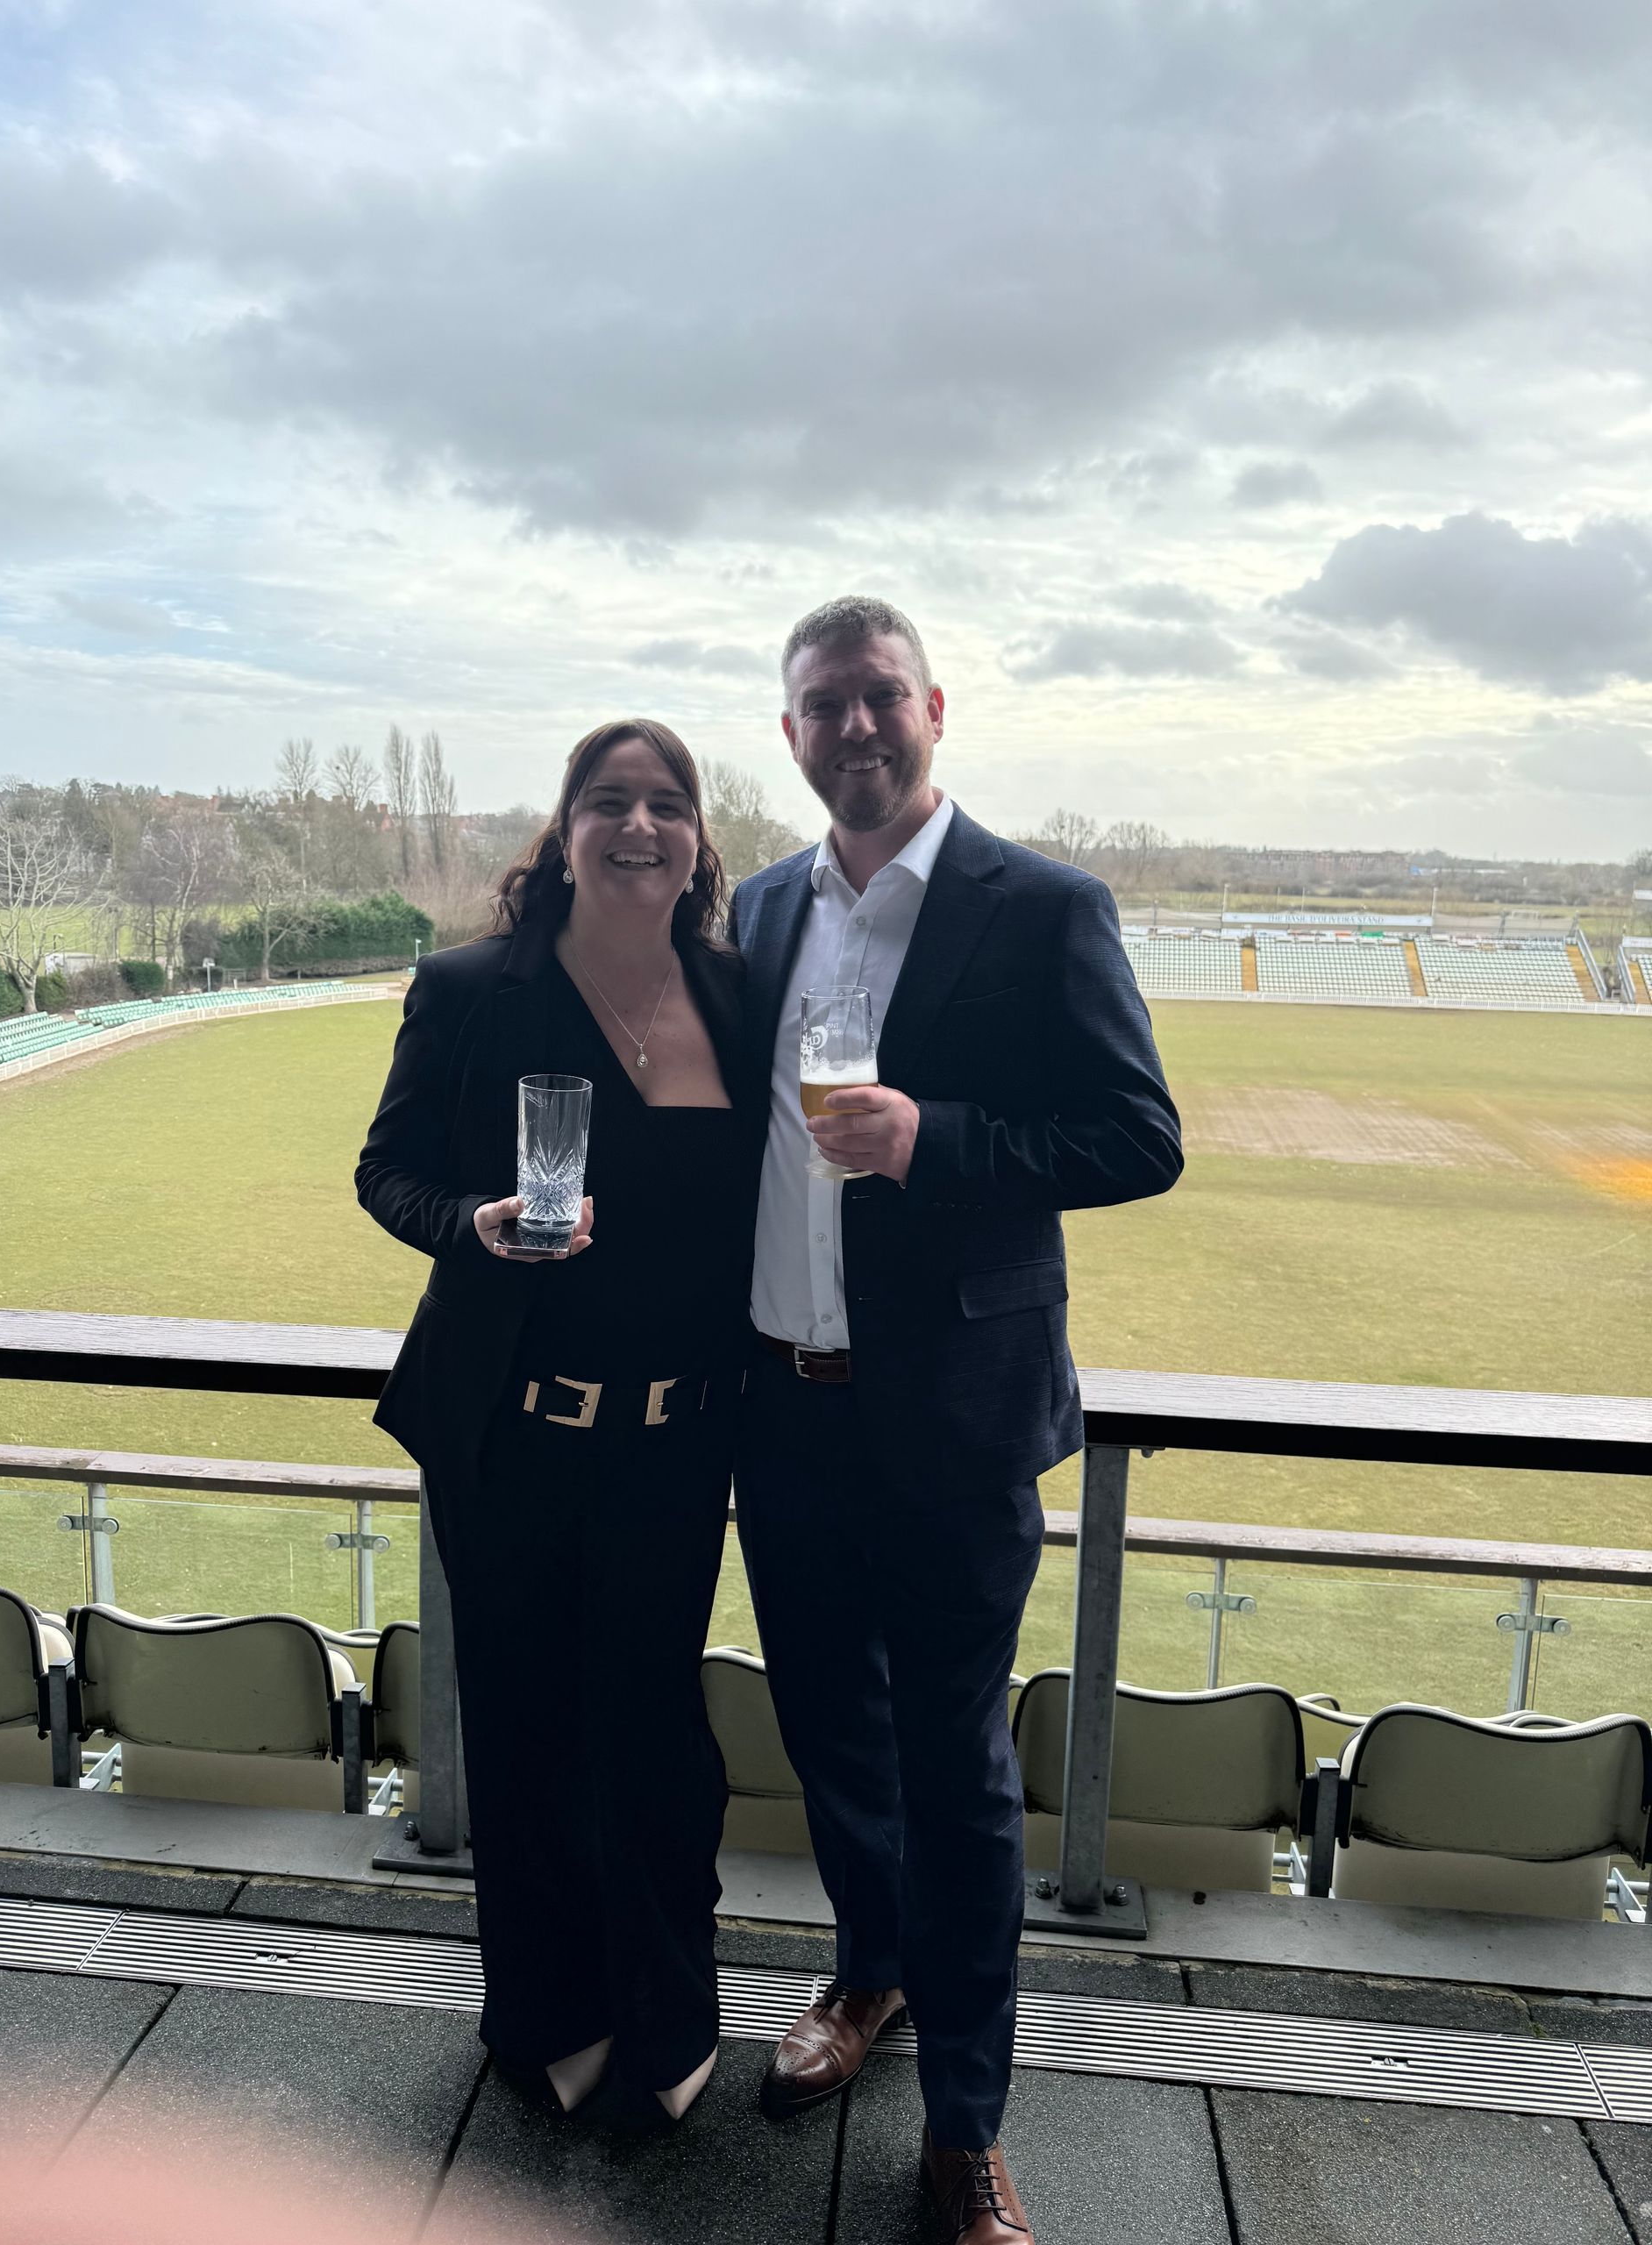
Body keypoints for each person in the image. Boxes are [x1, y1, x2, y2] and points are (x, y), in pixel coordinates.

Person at [730, 597, 1183, 2244]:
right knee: (832, 1736)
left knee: (961, 1771)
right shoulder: (765, 909)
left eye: (877, 700)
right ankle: (869, 1976)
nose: (852, 728)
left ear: (934, 709)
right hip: (782, 1410)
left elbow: (1140, 1136)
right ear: (788, 735)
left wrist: (938, 1139)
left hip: (954, 1421)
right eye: (820, 707)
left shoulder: (1043, 905)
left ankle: (970, 2128)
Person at [356, 720, 756, 2127]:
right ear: (565, 830)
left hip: (679, 1438)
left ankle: (670, 2011)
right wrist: (467, 1226)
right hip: (513, 1432)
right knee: (524, 1731)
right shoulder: (472, 988)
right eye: (609, 802)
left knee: (657, 1739)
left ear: (700, 838)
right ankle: (546, 2012)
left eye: (667, 804)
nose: (639, 826)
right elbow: (386, 1171)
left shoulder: (742, 993)